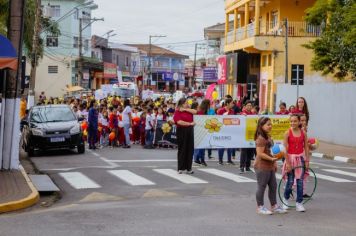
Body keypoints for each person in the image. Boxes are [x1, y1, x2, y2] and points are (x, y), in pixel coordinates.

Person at [254, 117, 286, 215]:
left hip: (270, 165)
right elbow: (260, 154)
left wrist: (274, 163)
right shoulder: (260, 139)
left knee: (273, 186)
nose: (270, 126)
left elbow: (272, 151)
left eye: (270, 124)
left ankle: (274, 206)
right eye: (268, 124)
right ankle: (260, 207)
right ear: (261, 126)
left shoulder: (268, 137)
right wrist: (271, 159)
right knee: (262, 186)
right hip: (262, 166)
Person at [282, 114, 310, 212]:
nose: (292, 123)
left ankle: (299, 203)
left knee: (300, 182)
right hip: (290, 159)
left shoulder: (303, 133)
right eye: (291, 121)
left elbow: (306, 147)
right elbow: (284, 149)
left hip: (300, 159)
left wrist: (307, 160)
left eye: (295, 121)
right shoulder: (287, 133)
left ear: (299, 122)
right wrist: (288, 163)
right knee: (289, 182)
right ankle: (285, 200)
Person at [173, 98, 196, 174]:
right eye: (186, 103)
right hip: (182, 131)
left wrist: (186, 109)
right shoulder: (177, 111)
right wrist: (189, 123)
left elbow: (196, 112)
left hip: (190, 131)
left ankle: (189, 168)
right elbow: (179, 122)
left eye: (187, 102)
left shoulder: (189, 110)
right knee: (182, 149)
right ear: (182, 104)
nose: (187, 104)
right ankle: (180, 168)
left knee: (190, 149)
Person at [216, 98, 236, 165]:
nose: (233, 104)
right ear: (227, 103)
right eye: (231, 103)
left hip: (230, 130)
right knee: (221, 145)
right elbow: (218, 120)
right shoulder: (220, 110)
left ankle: (229, 160)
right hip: (222, 130)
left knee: (230, 145)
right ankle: (220, 160)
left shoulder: (232, 111)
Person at [194, 99, 210, 166]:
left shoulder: (202, 110)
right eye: (209, 104)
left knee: (200, 146)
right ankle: (201, 160)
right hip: (200, 129)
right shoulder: (201, 111)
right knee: (201, 146)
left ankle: (198, 159)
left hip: (201, 129)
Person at [240, 100, 255, 173]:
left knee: (250, 152)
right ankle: (241, 166)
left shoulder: (253, 114)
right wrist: (243, 115)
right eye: (248, 105)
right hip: (244, 135)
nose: (249, 107)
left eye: (250, 106)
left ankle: (247, 166)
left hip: (251, 135)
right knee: (244, 151)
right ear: (245, 106)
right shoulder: (242, 113)